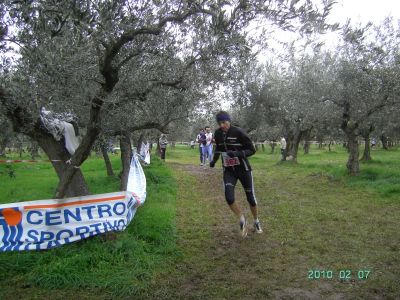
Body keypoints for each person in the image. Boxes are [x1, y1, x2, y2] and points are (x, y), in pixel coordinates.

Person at [209, 111, 262, 237]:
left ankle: (256, 221)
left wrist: (237, 154)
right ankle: (242, 218)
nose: (222, 125)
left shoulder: (238, 132)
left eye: (224, 122)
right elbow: (219, 149)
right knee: (229, 198)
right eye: (219, 123)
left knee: (251, 198)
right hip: (229, 171)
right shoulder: (217, 133)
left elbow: (252, 150)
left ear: (229, 121)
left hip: (243, 170)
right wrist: (214, 161)